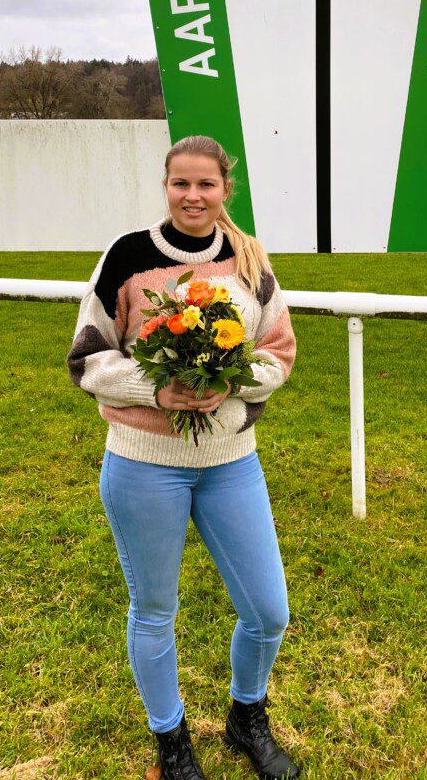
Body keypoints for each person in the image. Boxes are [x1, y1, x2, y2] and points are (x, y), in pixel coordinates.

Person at [66, 134, 300, 780]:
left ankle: (245, 716)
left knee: (268, 610)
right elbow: (85, 358)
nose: (192, 196)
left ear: (226, 188)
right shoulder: (127, 256)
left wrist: (229, 384)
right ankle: (172, 743)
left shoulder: (250, 262)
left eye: (206, 185)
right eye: (180, 184)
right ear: (165, 186)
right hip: (143, 464)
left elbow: (279, 352)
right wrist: (155, 386)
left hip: (230, 461)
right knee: (154, 610)